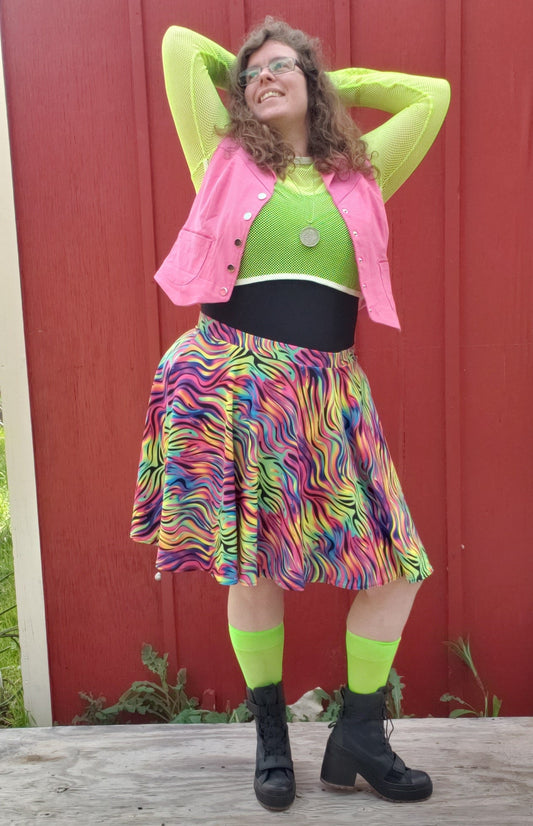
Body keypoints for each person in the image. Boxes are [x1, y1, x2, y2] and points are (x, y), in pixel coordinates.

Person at [131, 17, 450, 812]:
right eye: (249, 76)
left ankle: (358, 735)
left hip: (329, 391)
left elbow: (430, 97)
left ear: (312, 79)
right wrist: (259, 74)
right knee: (253, 567)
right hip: (230, 377)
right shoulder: (222, 158)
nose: (260, 80)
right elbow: (180, 48)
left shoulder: (362, 173)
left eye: (279, 68)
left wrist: (325, 80)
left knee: (395, 568)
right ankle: (270, 737)